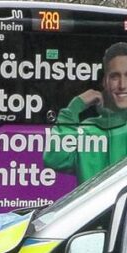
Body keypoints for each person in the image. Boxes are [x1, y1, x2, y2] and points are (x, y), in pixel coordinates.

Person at [46, 42, 127, 184]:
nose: (122, 85)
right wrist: (73, 109)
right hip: (95, 207)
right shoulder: (87, 131)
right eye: (115, 76)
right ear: (105, 82)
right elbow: (55, 159)